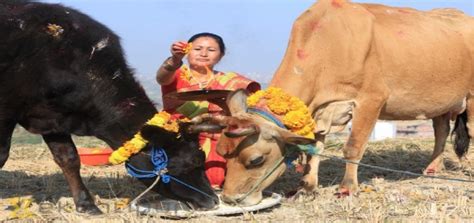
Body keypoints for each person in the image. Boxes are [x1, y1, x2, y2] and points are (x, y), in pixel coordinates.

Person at [156, 32, 260, 188]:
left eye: (211, 50)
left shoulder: (233, 80)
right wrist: (175, 59)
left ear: (221, 55)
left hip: (218, 134)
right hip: (181, 134)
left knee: (215, 178)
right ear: (187, 51)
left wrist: (222, 104)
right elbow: (162, 78)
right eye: (197, 49)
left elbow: (246, 109)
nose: (203, 54)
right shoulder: (177, 74)